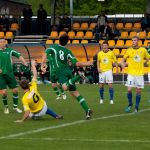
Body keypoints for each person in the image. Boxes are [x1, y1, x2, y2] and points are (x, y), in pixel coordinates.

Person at [41, 34, 93, 120]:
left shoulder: (53, 47)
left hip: (60, 72)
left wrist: (42, 65)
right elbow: (77, 63)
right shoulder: (68, 52)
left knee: (64, 87)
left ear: (59, 40)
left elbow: (45, 54)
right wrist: (87, 63)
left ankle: (78, 76)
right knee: (74, 93)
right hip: (68, 72)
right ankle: (87, 110)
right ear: (67, 42)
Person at [121, 36, 149, 113]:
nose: (133, 42)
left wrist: (146, 62)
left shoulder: (143, 50)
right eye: (132, 40)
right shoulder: (129, 50)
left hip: (139, 74)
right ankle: (130, 104)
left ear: (138, 41)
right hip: (131, 73)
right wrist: (122, 63)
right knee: (129, 90)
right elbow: (123, 58)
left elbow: (148, 58)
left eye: (135, 40)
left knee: (138, 91)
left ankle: (136, 107)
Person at [0, 39, 28, 114]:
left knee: (15, 90)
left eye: (4, 42)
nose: (3, 44)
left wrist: (24, 62)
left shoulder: (10, 50)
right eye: (1, 42)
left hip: (10, 74)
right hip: (1, 76)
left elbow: (19, 55)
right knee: (4, 93)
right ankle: (6, 108)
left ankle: (15, 107)